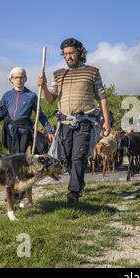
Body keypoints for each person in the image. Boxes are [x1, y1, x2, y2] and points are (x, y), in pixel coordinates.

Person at [37, 38, 110, 206]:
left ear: (80, 52)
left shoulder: (92, 72)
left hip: (84, 120)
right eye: (65, 54)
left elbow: (102, 98)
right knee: (65, 157)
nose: (68, 56)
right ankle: (79, 181)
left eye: (71, 53)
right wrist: (45, 86)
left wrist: (106, 121)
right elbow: (49, 99)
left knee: (78, 156)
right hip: (64, 123)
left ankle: (73, 193)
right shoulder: (59, 74)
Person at [0, 67, 54, 206]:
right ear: (11, 80)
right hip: (10, 132)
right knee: (11, 164)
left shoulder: (32, 96)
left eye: (22, 77)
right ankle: (13, 193)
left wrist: (49, 130)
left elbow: (41, 115)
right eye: (16, 77)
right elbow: (1, 114)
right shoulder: (6, 96)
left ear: (25, 79)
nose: (19, 80)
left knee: (22, 164)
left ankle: (20, 196)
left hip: (25, 133)